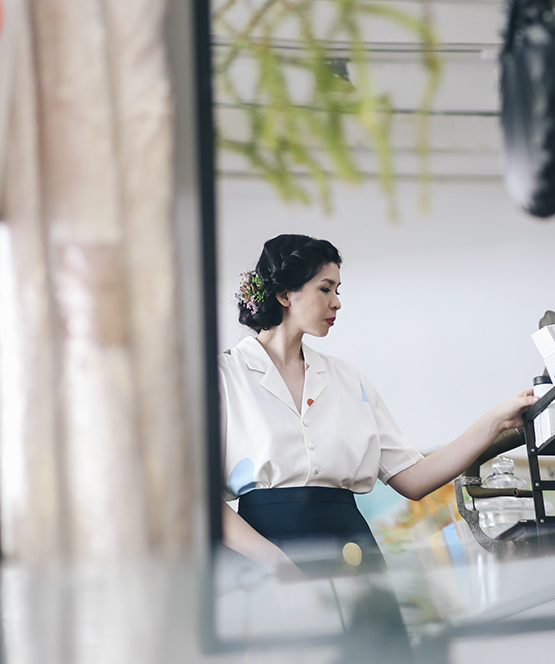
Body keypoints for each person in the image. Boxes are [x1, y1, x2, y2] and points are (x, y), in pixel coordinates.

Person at [219, 233, 535, 577]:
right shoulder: (224, 376)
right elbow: (197, 499)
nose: (337, 302)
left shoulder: (346, 378)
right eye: (325, 289)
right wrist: (276, 563)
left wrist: (496, 421)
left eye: (338, 290)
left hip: (352, 555)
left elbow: (413, 478)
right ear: (284, 294)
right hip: (264, 558)